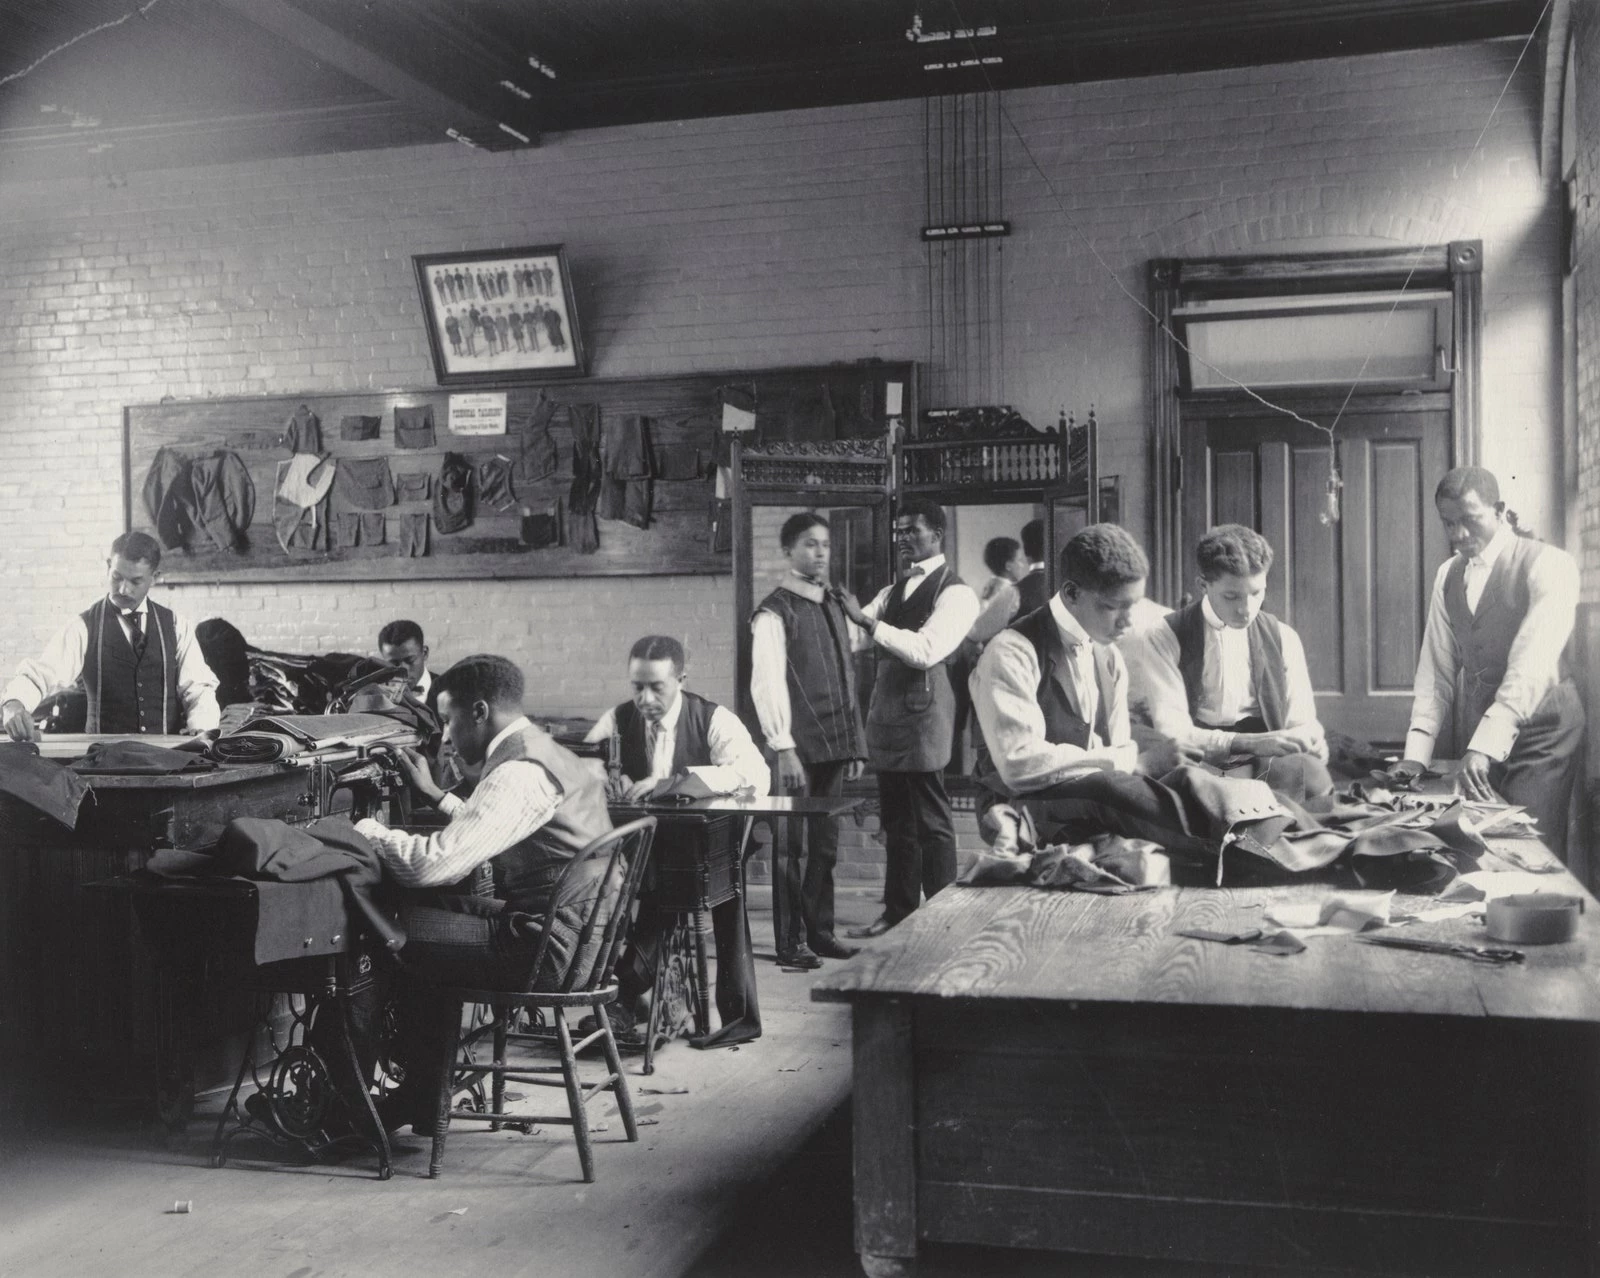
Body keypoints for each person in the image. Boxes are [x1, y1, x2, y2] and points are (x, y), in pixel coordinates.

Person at [349, 654, 616, 1135]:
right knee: (420, 915)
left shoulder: (517, 774)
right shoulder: (543, 750)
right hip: (579, 937)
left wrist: (363, 829)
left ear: (479, 711)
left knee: (381, 928)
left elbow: (427, 864)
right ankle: (421, 1099)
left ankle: (365, 1102)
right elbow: (507, 823)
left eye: (448, 719)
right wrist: (437, 796)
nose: (446, 737)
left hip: (547, 951)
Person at [969, 524, 1273, 863]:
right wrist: (1135, 762)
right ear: (1071, 594)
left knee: (1182, 771)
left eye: (1134, 605)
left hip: (1085, 788)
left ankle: (1269, 826)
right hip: (1018, 799)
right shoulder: (1011, 651)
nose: (1127, 622)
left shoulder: (1106, 653)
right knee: (1111, 788)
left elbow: (1115, 747)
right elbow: (1019, 765)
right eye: (1115, 606)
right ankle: (1242, 851)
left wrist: (1147, 763)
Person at [584, 635, 769, 1047]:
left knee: (670, 888)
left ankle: (630, 994)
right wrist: (608, 775)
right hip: (649, 846)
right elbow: (583, 758)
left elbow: (756, 774)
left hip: (710, 843)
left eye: (657, 687)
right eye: (637, 687)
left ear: (681, 679)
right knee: (623, 887)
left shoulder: (715, 719)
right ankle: (622, 992)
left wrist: (668, 783)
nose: (645, 698)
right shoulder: (618, 719)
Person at [1396, 466, 1585, 862]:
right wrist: (1416, 754)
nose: (1458, 535)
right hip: (1483, 729)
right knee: (1479, 843)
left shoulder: (1550, 564)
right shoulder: (1448, 575)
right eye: (1448, 523)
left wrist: (1483, 748)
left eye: (1469, 520)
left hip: (1544, 730)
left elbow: (1530, 666)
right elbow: (1436, 669)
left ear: (1499, 509)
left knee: (1526, 848)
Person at [835, 499, 980, 937]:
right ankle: (897, 914)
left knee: (932, 823)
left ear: (937, 534)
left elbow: (925, 650)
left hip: (925, 712)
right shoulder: (892, 592)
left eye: (912, 531)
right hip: (888, 712)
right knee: (897, 821)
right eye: (899, 532)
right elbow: (856, 642)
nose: (903, 539)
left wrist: (865, 621)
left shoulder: (956, 593)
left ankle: (940, 919)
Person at [1121, 524, 1332, 802]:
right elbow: (1174, 730)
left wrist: (1310, 738)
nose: (1246, 609)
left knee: (1315, 777)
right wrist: (1245, 744)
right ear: (1203, 585)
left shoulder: (1284, 637)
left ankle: (1240, 799)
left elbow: (1301, 721)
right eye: (1231, 596)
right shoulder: (1164, 635)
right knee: (1172, 772)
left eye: (1256, 593)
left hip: (1264, 752)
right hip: (1196, 752)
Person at [751, 513, 867, 968]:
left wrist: (853, 745)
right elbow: (767, 684)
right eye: (809, 545)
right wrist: (783, 747)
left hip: (835, 747)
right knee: (790, 846)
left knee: (825, 844)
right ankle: (790, 941)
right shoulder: (774, 612)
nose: (820, 553)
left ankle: (820, 933)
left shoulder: (835, 604)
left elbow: (847, 679)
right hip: (794, 750)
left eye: (825, 545)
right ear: (788, 552)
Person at [2, 531, 219, 740]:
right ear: (108, 567)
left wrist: (202, 727)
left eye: (135, 581)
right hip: (101, 760)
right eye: (117, 577)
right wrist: (14, 703)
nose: (123, 589)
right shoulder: (84, 626)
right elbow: (42, 673)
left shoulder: (176, 625)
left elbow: (198, 688)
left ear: (154, 578)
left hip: (167, 759)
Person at [377, 619, 434, 701]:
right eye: (394, 664)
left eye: (410, 660)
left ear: (424, 653)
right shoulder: (375, 695)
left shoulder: (447, 690)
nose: (404, 670)